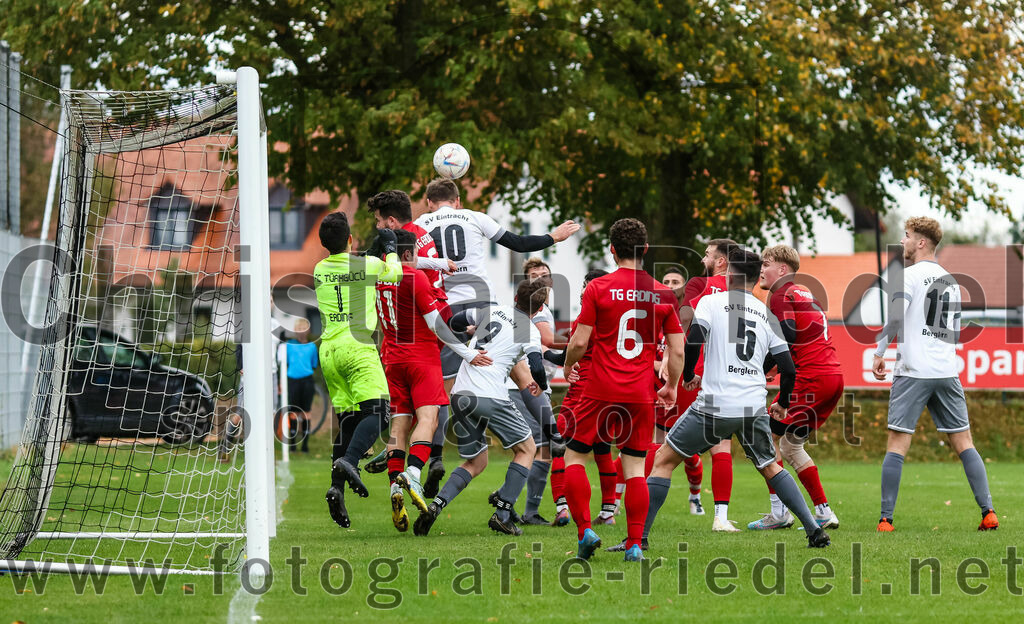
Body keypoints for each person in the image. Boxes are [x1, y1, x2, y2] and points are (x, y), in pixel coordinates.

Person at [642, 248, 831, 550]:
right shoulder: (766, 312)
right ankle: (813, 530)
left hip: (714, 404)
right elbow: (787, 367)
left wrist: (689, 373)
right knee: (770, 466)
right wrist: (782, 401)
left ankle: (638, 540)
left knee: (663, 460)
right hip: (752, 405)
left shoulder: (712, 302)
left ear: (729, 274)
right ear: (757, 279)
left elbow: (693, 340)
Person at [414, 179, 580, 499]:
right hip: (483, 305)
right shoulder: (474, 216)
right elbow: (518, 243)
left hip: (445, 311)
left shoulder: (420, 224)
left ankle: (434, 458)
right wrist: (553, 236)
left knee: (443, 388)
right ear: (458, 200)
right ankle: (553, 432)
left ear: (429, 201)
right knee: (521, 372)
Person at [561, 218, 684, 562]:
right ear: (645, 250)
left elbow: (580, 340)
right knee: (634, 468)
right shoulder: (663, 293)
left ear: (612, 251)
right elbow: (676, 350)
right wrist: (671, 385)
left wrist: (569, 365)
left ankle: (585, 530)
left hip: (598, 389)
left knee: (574, 457)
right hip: (640, 392)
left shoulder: (598, 288)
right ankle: (633, 545)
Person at [872, 217, 997, 532]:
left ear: (921, 242)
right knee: (963, 441)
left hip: (914, 369)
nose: (903, 241)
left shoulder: (908, 276)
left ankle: (886, 519)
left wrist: (879, 351)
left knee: (897, 442)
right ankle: (989, 512)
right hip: (946, 370)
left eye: (907, 236)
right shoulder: (951, 280)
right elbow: (954, 331)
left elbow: (896, 317)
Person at [374, 228, 492, 532]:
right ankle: (412, 474)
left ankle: (395, 490)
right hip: (421, 359)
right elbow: (437, 326)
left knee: (399, 426)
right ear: (407, 254)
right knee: (429, 418)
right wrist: (467, 353)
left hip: (393, 358)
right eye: (416, 254)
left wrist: (438, 264)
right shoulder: (414, 279)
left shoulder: (378, 278)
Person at [413, 279, 551, 537]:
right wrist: (540, 385)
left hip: (460, 393)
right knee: (528, 448)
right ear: (540, 307)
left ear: (515, 298)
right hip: (489, 395)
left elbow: (453, 322)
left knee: (476, 461)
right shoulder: (528, 329)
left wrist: (468, 331)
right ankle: (502, 514)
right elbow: (537, 365)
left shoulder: (492, 311)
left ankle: (435, 505)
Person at [315, 211, 403, 528]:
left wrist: (369, 250)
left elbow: (351, 266)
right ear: (350, 239)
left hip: (329, 351)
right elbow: (394, 274)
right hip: (357, 348)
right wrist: (389, 246)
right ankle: (349, 462)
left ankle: (336, 488)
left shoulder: (319, 268)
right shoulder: (367, 266)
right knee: (380, 413)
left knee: (351, 421)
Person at [747, 245, 842, 530]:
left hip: (811, 378)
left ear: (782, 269)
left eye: (766, 264)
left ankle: (779, 513)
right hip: (832, 377)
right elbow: (795, 339)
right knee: (790, 445)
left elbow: (785, 336)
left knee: (763, 437)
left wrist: (761, 369)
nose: (761, 269)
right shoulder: (802, 292)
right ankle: (823, 510)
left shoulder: (779, 294)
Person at [544, 269, 610, 527]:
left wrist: (540, 352)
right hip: (610, 389)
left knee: (561, 445)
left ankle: (562, 507)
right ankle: (608, 511)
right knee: (602, 448)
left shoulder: (587, 315)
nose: (583, 290)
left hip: (583, 390)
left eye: (586, 285)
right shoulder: (614, 315)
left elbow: (572, 352)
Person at [284, 318, 318, 453]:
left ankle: (305, 446)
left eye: (303, 329)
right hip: (293, 380)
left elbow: (314, 364)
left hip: (307, 381)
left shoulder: (312, 346)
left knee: (306, 412)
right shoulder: (289, 345)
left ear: (308, 331)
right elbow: (284, 362)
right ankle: (292, 445)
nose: (301, 332)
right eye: (298, 329)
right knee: (293, 412)